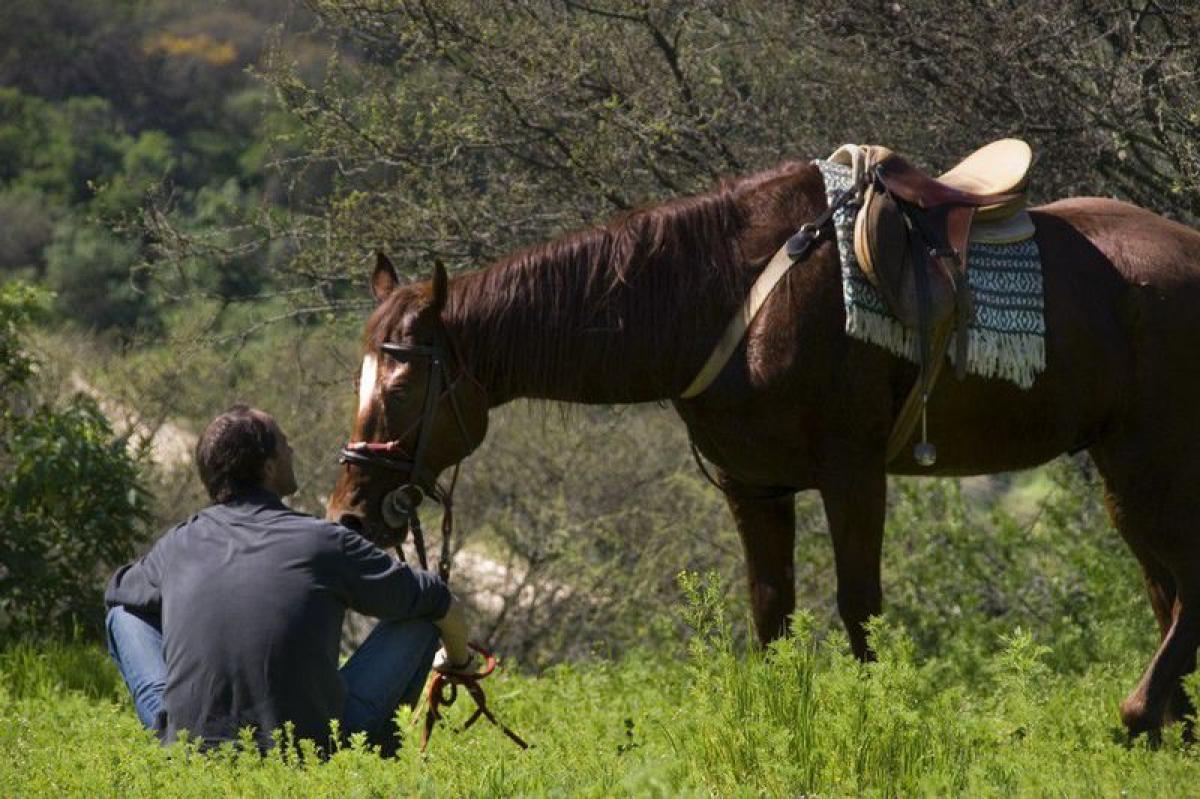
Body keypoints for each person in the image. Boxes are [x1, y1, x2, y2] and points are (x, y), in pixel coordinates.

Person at [104, 404, 473, 755]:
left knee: (122, 614)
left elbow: (119, 593)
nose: (292, 449)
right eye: (283, 442)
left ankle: (171, 732)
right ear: (267, 468)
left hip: (189, 748)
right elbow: (437, 599)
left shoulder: (178, 544)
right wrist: (459, 661)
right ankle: (368, 760)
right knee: (423, 616)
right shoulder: (324, 542)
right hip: (312, 750)